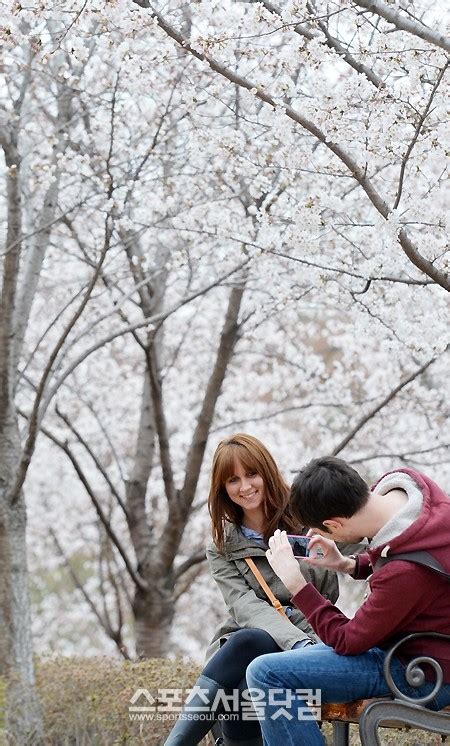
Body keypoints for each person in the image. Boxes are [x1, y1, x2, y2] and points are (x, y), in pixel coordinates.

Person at [165, 437, 361, 746]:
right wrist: (294, 642)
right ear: (222, 487)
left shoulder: (307, 515)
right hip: (257, 640)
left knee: (247, 680)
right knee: (249, 646)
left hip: (312, 632)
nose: (245, 487)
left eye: (252, 474)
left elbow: (359, 541)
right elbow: (244, 606)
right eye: (233, 479)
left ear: (266, 472)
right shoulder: (222, 546)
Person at [246, 456, 450, 745]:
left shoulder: (404, 573)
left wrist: (296, 584)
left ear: (334, 525)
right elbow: (412, 558)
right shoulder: (408, 490)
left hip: (423, 671)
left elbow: (346, 640)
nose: (315, 536)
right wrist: (347, 564)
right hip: (417, 646)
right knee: (268, 667)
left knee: (267, 675)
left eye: (319, 529)